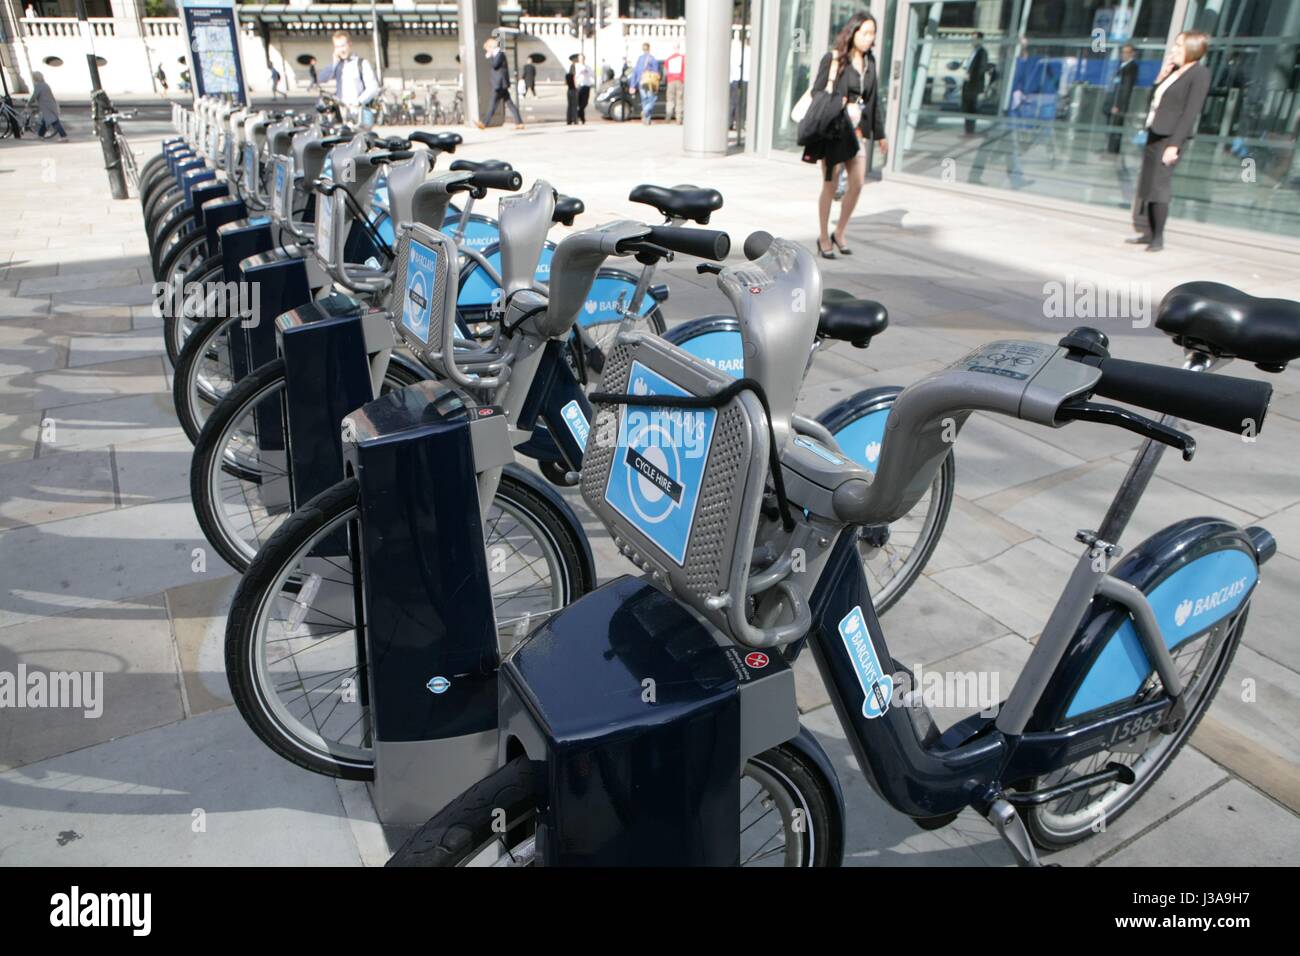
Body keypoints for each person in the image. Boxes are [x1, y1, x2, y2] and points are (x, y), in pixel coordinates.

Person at [804, 13, 887, 259]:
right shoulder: (834, 59)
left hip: (857, 132)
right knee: (830, 184)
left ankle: (839, 232)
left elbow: (873, 101)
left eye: (872, 33)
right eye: (865, 33)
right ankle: (822, 236)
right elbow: (817, 90)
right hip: (835, 130)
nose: (869, 38)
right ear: (853, 33)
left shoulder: (870, 62)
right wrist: (838, 101)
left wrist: (881, 135)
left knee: (858, 183)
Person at [1128, 31, 1211, 252]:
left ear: (1192, 49)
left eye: (1178, 46)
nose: (1173, 50)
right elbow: (1155, 101)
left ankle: (1158, 238)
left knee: (1159, 187)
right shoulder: (1174, 72)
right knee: (1148, 184)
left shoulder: (1199, 74)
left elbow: (1190, 113)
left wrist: (1175, 144)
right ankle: (1149, 232)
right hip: (1155, 132)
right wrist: (1160, 79)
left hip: (1170, 137)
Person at [316, 31, 381, 128]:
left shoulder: (361, 63)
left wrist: (358, 102)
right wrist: (334, 63)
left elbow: (373, 87)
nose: (341, 50)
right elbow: (322, 79)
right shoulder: (337, 65)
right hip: (341, 116)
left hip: (359, 115)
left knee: (360, 141)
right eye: (337, 47)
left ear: (350, 45)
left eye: (343, 46)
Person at [476, 34, 524, 129]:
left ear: (491, 47)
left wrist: (490, 56)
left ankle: (484, 123)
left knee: (493, 104)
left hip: (499, 84)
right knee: (509, 104)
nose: (487, 51)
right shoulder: (498, 54)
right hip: (500, 84)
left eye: (487, 48)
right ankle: (519, 122)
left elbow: (495, 65)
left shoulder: (499, 54)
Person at [1104, 43, 1139, 154]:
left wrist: (1118, 105)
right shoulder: (1122, 66)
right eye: (1122, 52)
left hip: (1119, 104)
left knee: (1116, 128)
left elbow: (1126, 89)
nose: (1123, 55)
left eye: (1126, 52)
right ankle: (1110, 149)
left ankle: (1113, 151)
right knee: (1111, 126)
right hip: (1114, 101)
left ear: (1132, 54)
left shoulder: (1131, 67)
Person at [27, 72, 67, 142]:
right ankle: (40, 135)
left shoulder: (39, 85)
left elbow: (34, 96)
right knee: (45, 121)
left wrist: (28, 103)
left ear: (35, 78)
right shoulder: (45, 84)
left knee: (54, 121)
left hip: (47, 107)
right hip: (50, 105)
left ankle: (63, 136)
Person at [961, 32, 987, 134]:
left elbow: (982, 69)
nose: (972, 40)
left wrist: (970, 76)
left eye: (974, 38)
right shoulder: (973, 52)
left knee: (972, 108)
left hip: (974, 85)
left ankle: (970, 130)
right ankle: (967, 129)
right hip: (968, 85)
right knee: (967, 107)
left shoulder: (982, 53)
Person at [630, 43, 660, 125]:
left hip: (641, 82)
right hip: (650, 82)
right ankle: (645, 112)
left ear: (642, 49)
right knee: (652, 99)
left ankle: (646, 119)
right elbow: (656, 73)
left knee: (644, 100)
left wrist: (632, 85)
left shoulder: (639, 59)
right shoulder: (652, 59)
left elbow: (635, 72)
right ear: (649, 49)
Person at [663, 44, 685, 124]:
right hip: (680, 81)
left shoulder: (668, 59)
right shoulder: (683, 58)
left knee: (670, 99)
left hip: (670, 81)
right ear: (679, 48)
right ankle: (679, 119)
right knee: (679, 100)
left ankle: (668, 117)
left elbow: (665, 73)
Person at [576, 54, 594, 124]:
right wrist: (579, 72)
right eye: (580, 58)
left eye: (583, 58)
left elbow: (592, 75)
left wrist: (588, 72)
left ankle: (579, 114)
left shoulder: (588, 67)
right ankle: (582, 118)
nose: (581, 60)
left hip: (586, 86)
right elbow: (574, 76)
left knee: (584, 103)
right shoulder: (577, 67)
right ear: (578, 59)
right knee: (579, 103)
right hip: (579, 86)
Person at [565, 53, 579, 125]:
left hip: (570, 89)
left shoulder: (570, 67)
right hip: (573, 88)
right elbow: (574, 77)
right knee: (574, 105)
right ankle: (574, 119)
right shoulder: (573, 67)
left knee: (570, 105)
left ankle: (569, 120)